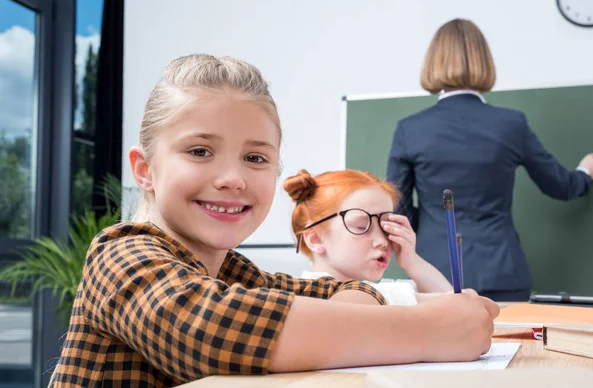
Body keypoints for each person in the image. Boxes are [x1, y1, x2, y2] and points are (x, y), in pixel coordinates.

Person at [50, 54, 499, 386]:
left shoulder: (232, 271)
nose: (232, 178)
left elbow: (338, 289)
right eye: (200, 151)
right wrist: (429, 330)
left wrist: (349, 315)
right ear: (145, 169)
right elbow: (209, 332)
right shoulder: (120, 253)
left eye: (255, 157)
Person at [386, 19, 593, 302]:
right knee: (510, 347)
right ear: (484, 62)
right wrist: (586, 171)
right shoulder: (511, 124)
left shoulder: (409, 129)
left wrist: (431, 225)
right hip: (502, 271)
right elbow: (562, 186)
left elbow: (398, 209)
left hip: (433, 273)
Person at [284, 169, 453, 306]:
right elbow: (457, 307)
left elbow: (458, 309)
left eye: (387, 227)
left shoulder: (380, 293)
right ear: (316, 239)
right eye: (361, 226)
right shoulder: (311, 298)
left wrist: (412, 262)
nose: (383, 241)